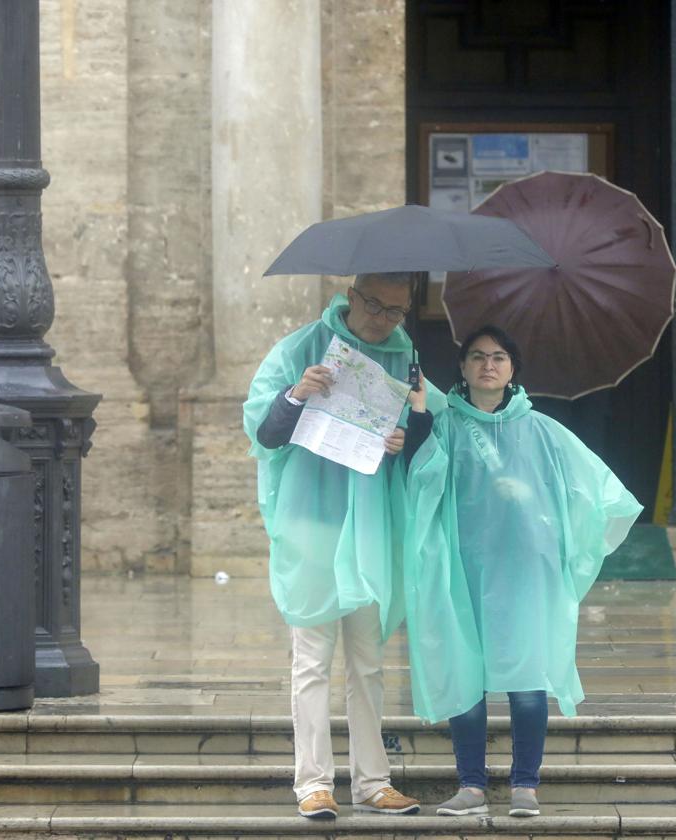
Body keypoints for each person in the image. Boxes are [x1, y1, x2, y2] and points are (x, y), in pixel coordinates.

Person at [402, 325, 643, 818]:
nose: (487, 365)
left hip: (525, 571)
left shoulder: (541, 430)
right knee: (464, 673)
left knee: (527, 676)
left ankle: (525, 786)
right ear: (463, 368)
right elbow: (420, 478)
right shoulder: (445, 426)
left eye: (498, 357)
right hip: (460, 568)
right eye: (476, 357)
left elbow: (591, 486)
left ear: (512, 369)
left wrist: (560, 533)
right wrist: (421, 414)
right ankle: (470, 785)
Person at [242, 272, 441, 819]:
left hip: (371, 524)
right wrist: (297, 393)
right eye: (374, 305)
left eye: (395, 311)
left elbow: (429, 430)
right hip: (313, 520)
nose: (382, 319)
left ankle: (374, 782)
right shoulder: (301, 348)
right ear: (350, 296)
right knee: (312, 657)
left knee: (368, 660)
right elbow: (262, 431)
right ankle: (313, 783)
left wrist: (409, 436)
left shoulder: (407, 359)